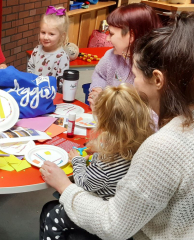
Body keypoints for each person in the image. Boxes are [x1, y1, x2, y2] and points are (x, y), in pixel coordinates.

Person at [40, 11, 194, 239]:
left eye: (135, 75)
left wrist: (64, 186)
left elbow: (113, 225)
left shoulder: (164, 146)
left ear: (158, 80)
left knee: (51, 213)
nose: (133, 84)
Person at [41, 84, 155, 240]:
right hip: (119, 208)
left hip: (100, 210)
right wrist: (99, 150)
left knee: (51, 216)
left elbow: (83, 183)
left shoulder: (106, 164)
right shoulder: (135, 147)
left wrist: (78, 161)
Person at [87, 3, 162, 110]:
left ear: (131, 36)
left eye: (111, 34)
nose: (107, 39)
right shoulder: (111, 56)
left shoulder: (151, 71)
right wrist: (97, 90)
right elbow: (100, 74)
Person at [27, 6, 70, 93]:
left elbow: (61, 81)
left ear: (62, 35)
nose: (46, 37)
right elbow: (30, 69)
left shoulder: (62, 56)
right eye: (43, 32)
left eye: (51, 34)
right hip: (34, 91)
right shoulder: (36, 50)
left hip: (52, 96)